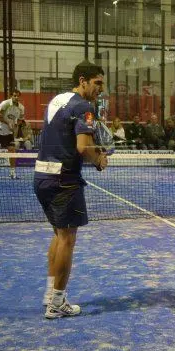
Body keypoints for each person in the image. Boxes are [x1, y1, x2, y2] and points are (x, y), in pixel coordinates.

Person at [33, 61, 109, 319]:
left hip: (42, 178)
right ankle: (57, 303)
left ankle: (50, 295)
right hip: (64, 181)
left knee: (58, 235)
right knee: (67, 239)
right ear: (82, 81)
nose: (100, 88)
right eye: (97, 83)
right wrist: (99, 159)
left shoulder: (58, 100)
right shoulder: (84, 107)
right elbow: (83, 147)